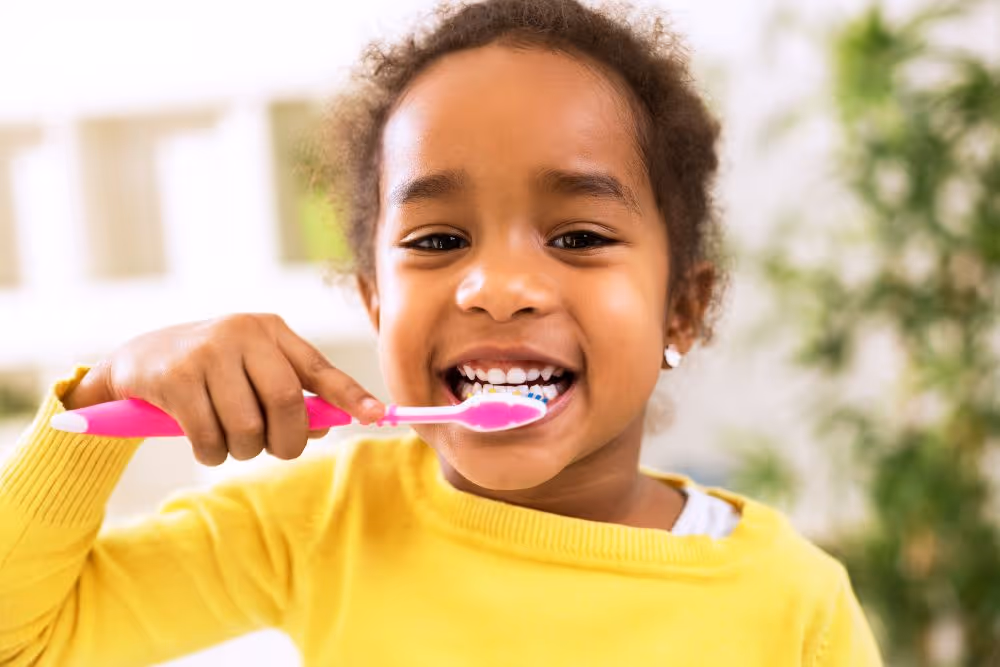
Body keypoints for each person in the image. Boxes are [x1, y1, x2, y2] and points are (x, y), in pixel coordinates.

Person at [0, 0, 883, 664]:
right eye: (438, 240)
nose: (496, 287)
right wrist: (105, 397)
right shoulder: (322, 522)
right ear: (375, 302)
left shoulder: (791, 603)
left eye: (577, 236)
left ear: (680, 309)